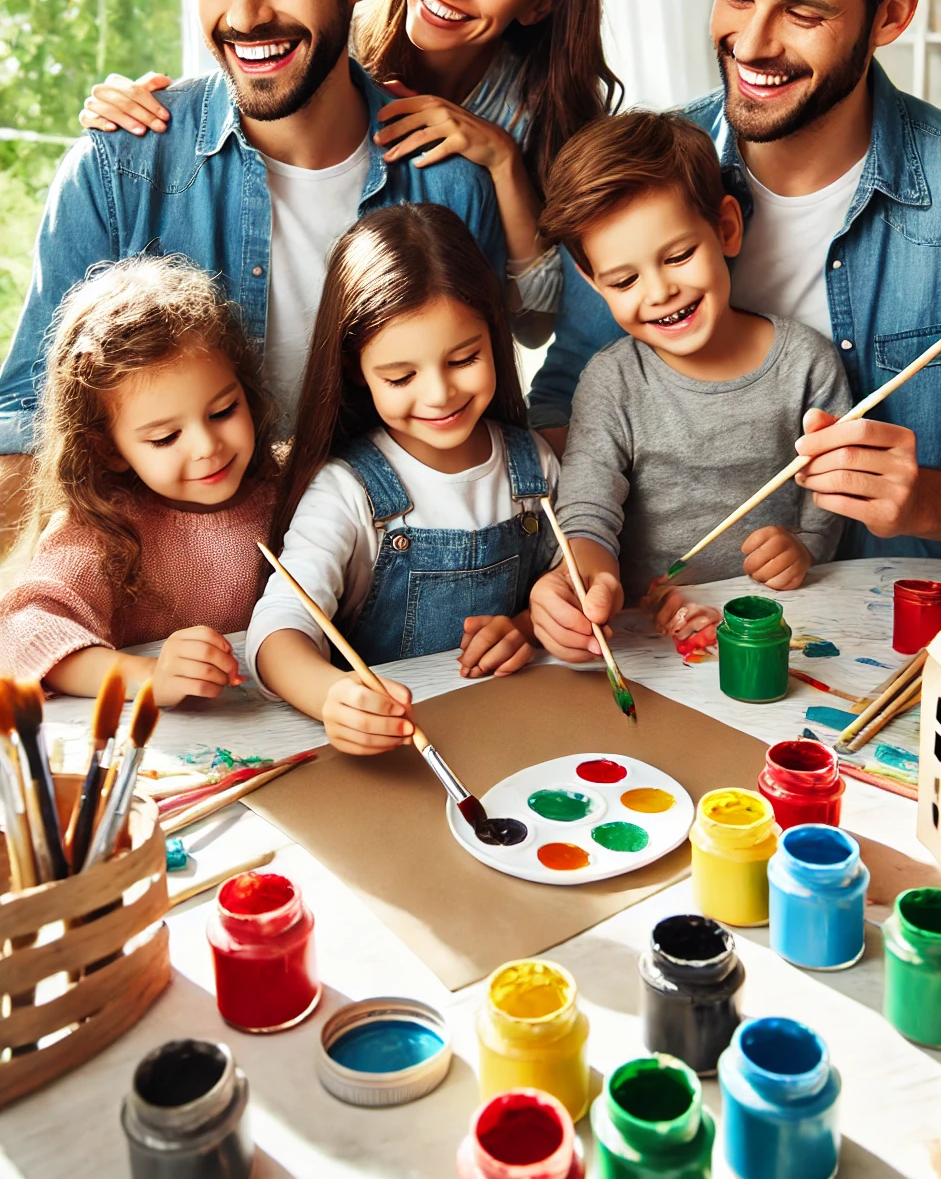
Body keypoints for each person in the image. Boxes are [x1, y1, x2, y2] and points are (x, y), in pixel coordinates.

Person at [0, 0, 505, 548]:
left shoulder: (450, 184)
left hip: (385, 607)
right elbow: (26, 432)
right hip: (166, 621)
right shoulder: (117, 170)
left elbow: (482, 437)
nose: (244, 15)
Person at [537, 0, 941, 558]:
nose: (753, 43)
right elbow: (566, 419)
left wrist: (926, 498)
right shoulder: (637, 179)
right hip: (673, 635)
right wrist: (560, 569)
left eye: (802, 13)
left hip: (896, 640)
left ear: (891, 13)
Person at [78, 0, 625, 440]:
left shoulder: (537, 131)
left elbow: (535, 321)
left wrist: (501, 161)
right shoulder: (333, 43)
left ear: (539, 4)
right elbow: (249, 63)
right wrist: (138, 116)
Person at [528, 110, 849, 662]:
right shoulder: (611, 380)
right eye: (624, 280)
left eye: (678, 256)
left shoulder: (807, 363)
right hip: (648, 640)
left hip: (775, 630)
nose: (659, 292)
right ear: (590, 279)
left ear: (725, 228)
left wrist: (805, 548)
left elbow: (830, 493)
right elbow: (588, 508)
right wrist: (582, 579)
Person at [248, 203, 559, 755]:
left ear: (494, 335)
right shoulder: (348, 491)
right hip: (394, 758)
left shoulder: (534, 466)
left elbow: (574, 582)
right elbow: (277, 632)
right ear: (356, 370)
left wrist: (530, 627)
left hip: (517, 738)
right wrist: (331, 696)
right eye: (401, 376)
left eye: (464, 359)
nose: (439, 395)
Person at [0, 257, 277, 705]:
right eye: (166, 437)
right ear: (108, 449)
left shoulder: (288, 490)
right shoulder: (102, 528)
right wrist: (149, 676)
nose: (207, 446)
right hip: (158, 754)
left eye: (223, 411)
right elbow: (21, 633)